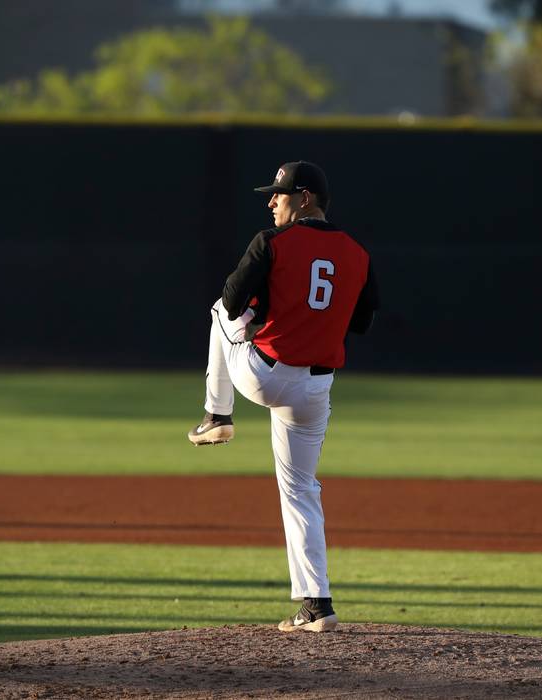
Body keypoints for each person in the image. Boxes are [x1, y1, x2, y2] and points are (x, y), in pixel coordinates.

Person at [188, 160, 379, 633]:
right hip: (315, 389)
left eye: (280, 193)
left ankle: (217, 413)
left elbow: (233, 302)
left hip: (264, 375)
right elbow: (362, 322)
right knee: (302, 491)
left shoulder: (271, 242)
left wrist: (258, 309)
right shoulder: (357, 252)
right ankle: (317, 605)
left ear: (305, 198)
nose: (271, 201)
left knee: (217, 311)